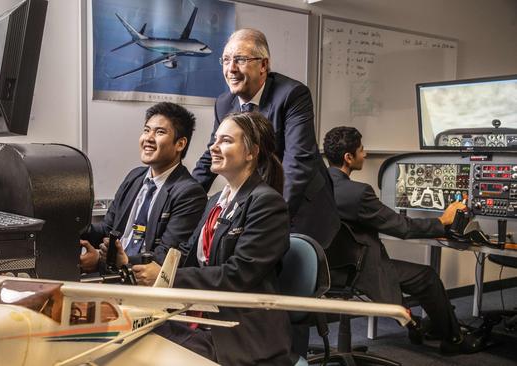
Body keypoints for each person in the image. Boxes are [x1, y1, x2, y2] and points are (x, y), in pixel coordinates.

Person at [108, 112, 293, 365]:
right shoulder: (215, 202)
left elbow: (237, 274)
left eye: (226, 141)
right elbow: (184, 254)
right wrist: (130, 262)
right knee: (125, 336)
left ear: (251, 152)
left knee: (141, 350)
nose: (213, 148)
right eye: (214, 140)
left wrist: (167, 277)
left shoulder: (267, 203)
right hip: (200, 319)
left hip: (238, 332)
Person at [322, 126, 484, 354]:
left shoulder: (316, 187)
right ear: (348, 157)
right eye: (361, 150)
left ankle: (424, 327)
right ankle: (454, 339)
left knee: (407, 272)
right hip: (358, 271)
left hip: (327, 269)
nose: (365, 154)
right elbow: (403, 227)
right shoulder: (357, 193)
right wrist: (443, 221)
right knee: (427, 277)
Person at [192, 28, 339, 248]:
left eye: (240, 60)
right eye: (226, 60)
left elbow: (298, 161)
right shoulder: (224, 103)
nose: (231, 68)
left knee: (294, 276)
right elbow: (211, 155)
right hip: (256, 199)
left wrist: (272, 215)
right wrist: (184, 197)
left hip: (300, 205)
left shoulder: (292, 94)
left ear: (263, 65)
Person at [79, 102, 206, 272]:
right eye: (146, 130)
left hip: (142, 282)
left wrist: (105, 262)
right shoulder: (135, 177)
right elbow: (108, 229)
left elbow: (165, 256)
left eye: (159, 132)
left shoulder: (189, 193)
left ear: (180, 144)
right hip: (112, 275)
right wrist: (73, 228)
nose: (148, 138)